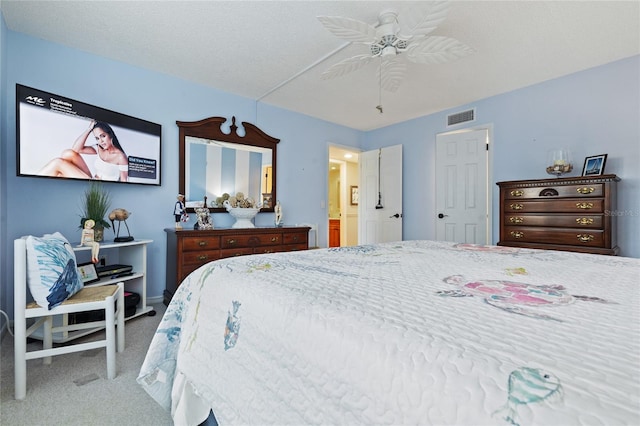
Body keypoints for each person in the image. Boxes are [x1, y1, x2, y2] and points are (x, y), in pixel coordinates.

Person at [39, 119, 129, 181]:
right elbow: (76, 149)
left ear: (110, 135)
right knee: (68, 154)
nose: (101, 141)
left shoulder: (121, 157)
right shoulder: (99, 148)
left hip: (99, 189)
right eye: (97, 138)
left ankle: (33, 182)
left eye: (103, 136)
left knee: (58, 163)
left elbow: (124, 181)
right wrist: (89, 129)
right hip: (93, 180)